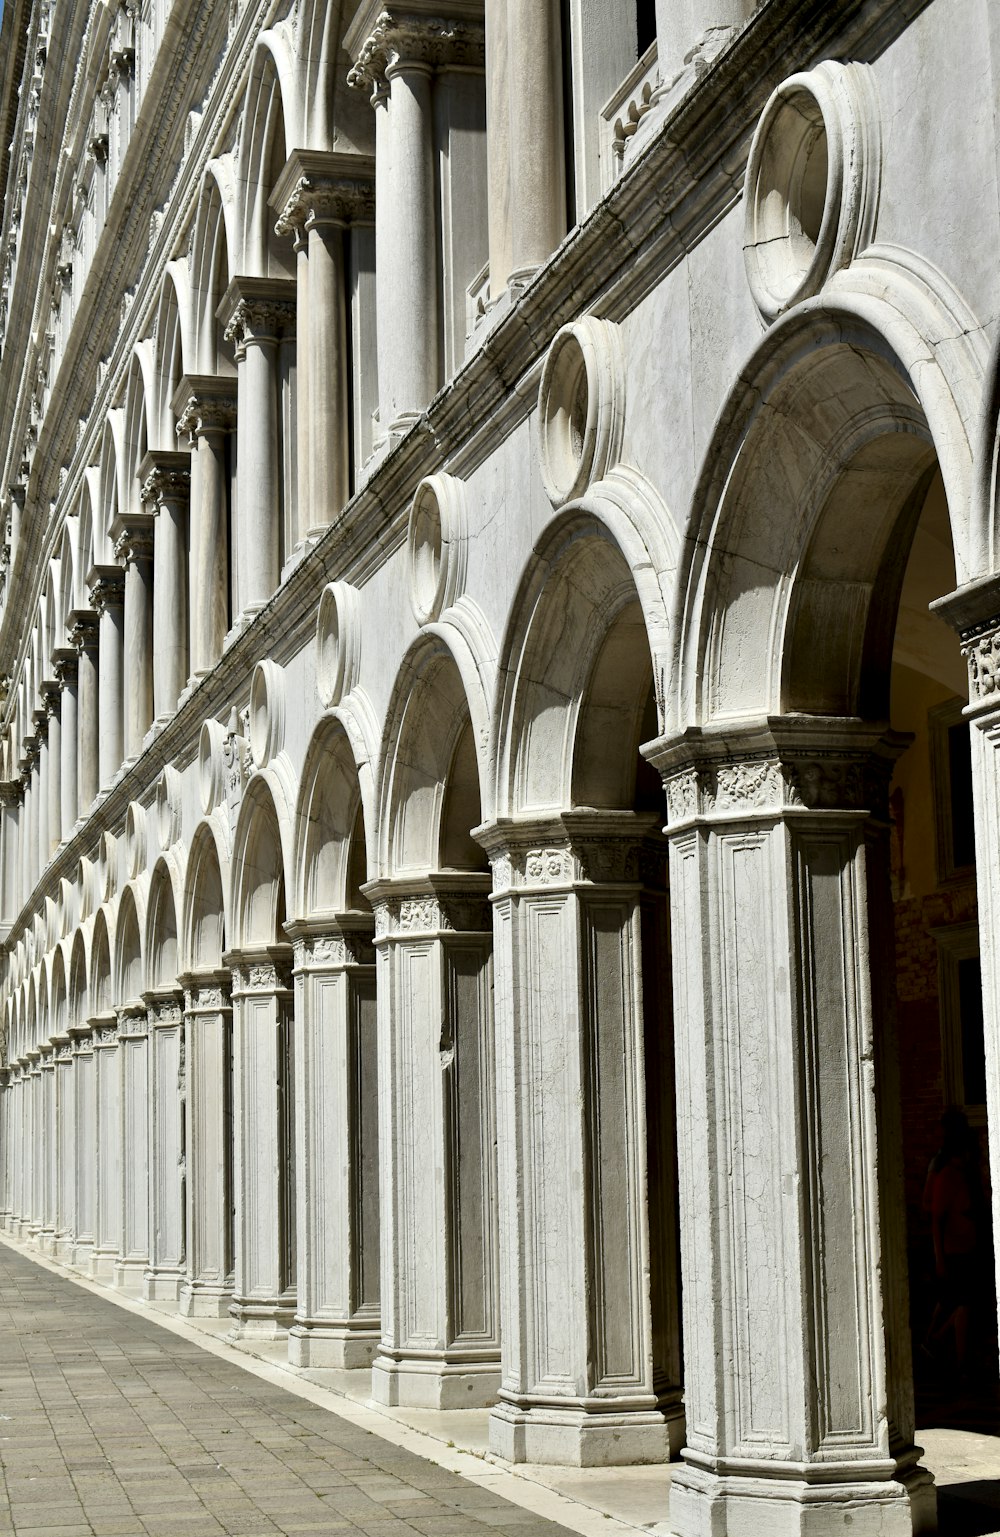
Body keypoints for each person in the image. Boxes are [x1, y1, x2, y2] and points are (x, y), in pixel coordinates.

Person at [922, 1107, 985, 1375]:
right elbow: (933, 1208)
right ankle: (938, 1344)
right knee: (956, 1298)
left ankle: (935, 1342)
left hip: (961, 1241)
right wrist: (939, 1254)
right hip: (951, 1243)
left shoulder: (954, 1164)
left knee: (952, 1298)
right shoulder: (945, 1167)